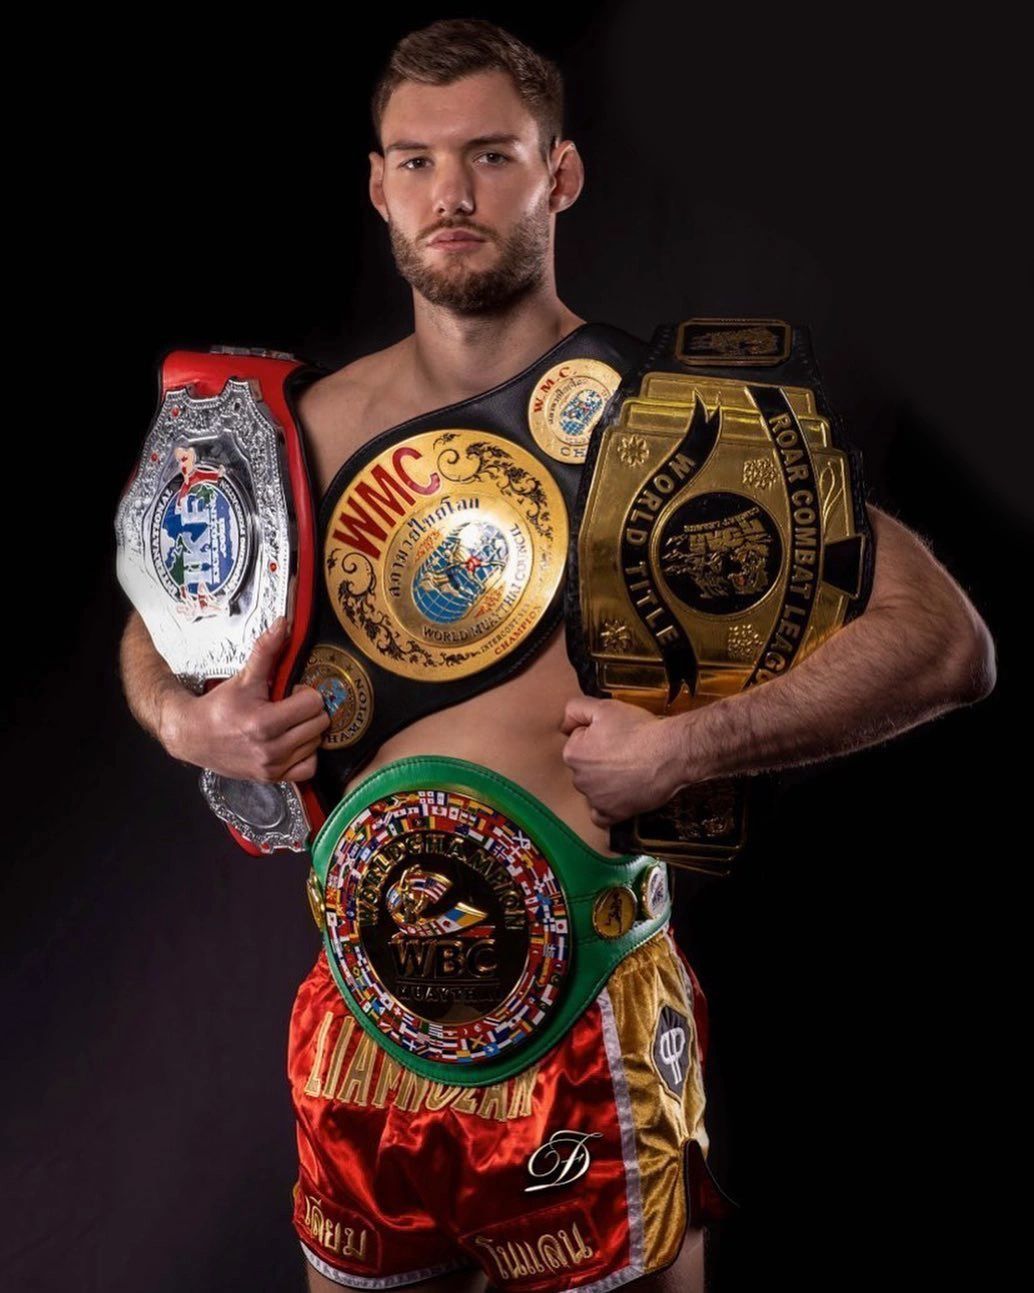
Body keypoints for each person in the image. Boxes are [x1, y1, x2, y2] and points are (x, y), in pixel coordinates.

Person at [117, 18, 998, 1293]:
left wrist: (692, 747)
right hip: (358, 1041)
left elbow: (943, 639)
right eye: (416, 162)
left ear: (560, 174)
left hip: (585, 1033)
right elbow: (159, 614)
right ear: (377, 186)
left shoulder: (677, 427)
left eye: (491, 156)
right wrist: (182, 720)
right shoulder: (301, 428)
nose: (452, 194)